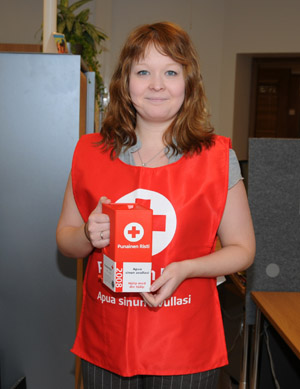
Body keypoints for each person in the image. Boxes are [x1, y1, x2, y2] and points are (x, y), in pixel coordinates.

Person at [56, 21, 255, 389]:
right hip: (109, 338)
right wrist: (87, 234)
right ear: (125, 82)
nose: (157, 84)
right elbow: (66, 240)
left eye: (171, 72)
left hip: (184, 338)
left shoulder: (216, 157)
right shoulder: (90, 153)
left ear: (188, 83)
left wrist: (187, 268)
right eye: (143, 71)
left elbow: (243, 249)